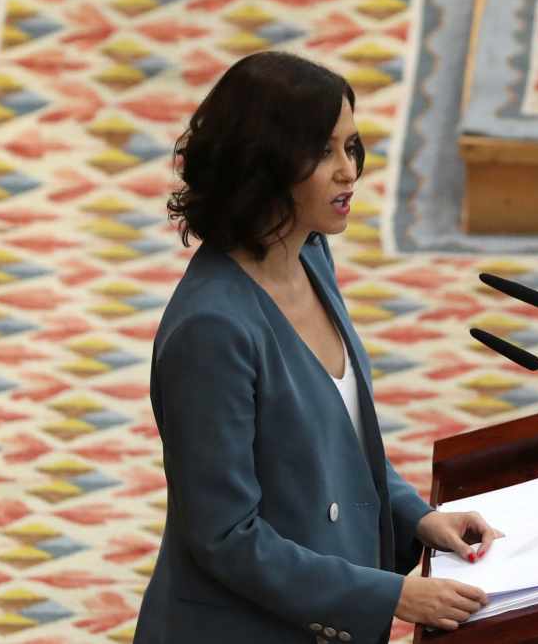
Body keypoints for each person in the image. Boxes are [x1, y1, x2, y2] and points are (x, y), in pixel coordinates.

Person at [135, 51, 500, 644]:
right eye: (323, 151)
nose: (348, 171)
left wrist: (419, 518)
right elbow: (226, 536)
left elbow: (337, 440)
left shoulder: (309, 255)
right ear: (265, 165)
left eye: (351, 147)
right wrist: (392, 594)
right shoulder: (210, 331)